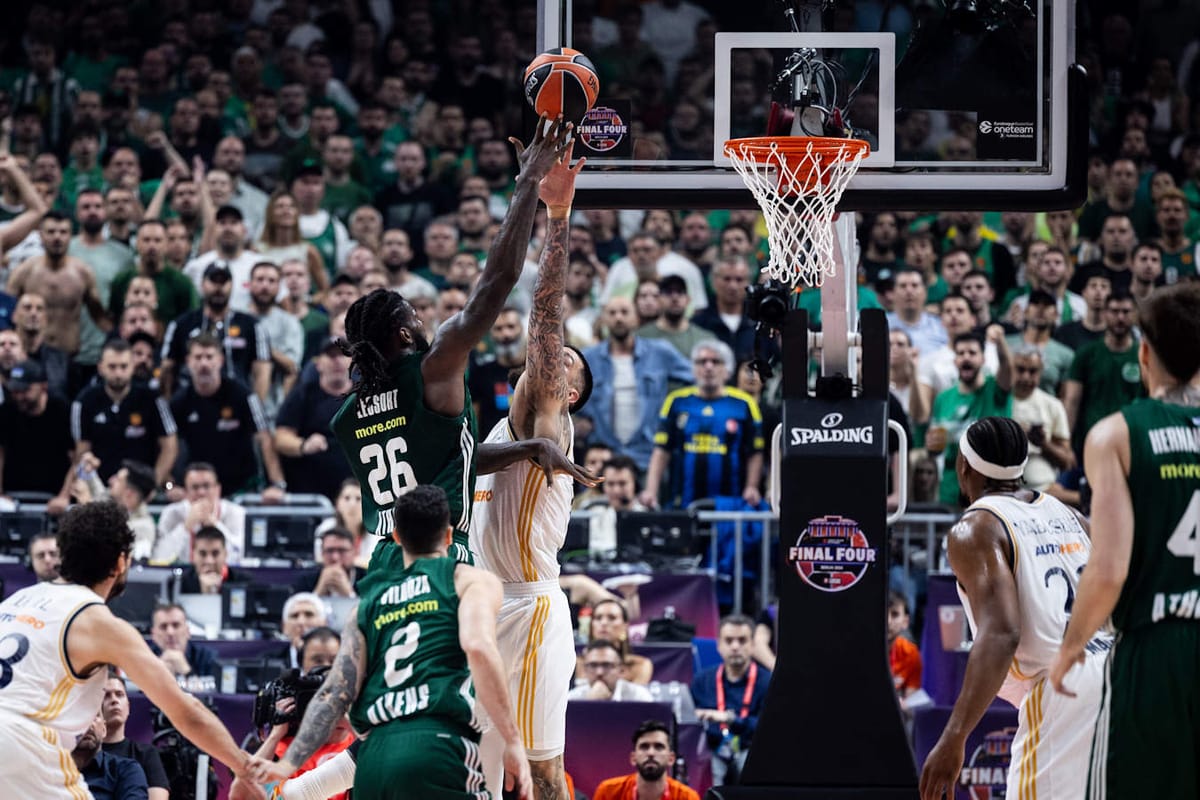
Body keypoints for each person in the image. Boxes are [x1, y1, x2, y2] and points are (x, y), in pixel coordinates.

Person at [329, 116, 574, 563]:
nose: (424, 322)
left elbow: (446, 461)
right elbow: (498, 281)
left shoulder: (348, 415)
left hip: (382, 559)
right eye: (415, 317)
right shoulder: (433, 369)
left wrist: (527, 448)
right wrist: (528, 183)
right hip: (438, 552)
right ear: (404, 333)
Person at [253, 485, 534, 800]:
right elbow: (479, 648)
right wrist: (513, 741)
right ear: (449, 536)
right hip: (438, 743)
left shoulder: (368, 603)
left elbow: (333, 693)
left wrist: (287, 763)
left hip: (375, 754)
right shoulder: (470, 581)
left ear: (396, 538)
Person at [467, 147, 594, 800]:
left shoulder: (550, 421)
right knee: (478, 777)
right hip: (484, 609)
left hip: (532, 607)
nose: (554, 362)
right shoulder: (501, 435)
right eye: (555, 361)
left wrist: (558, 214)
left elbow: (545, 321)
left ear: (568, 396)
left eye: (566, 365)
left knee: (544, 775)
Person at [1049, 283, 1200, 800]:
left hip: (1154, 652)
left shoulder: (1115, 433)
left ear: (1143, 351)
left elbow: (1109, 569)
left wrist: (1071, 647)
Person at [0, 501, 255, 796]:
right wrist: (243, 768)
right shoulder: (99, 621)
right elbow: (186, 711)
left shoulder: (15, 601)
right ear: (121, 563)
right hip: (20, 745)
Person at [921, 417, 1110, 800]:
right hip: (1117, 672)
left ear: (964, 467)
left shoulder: (975, 528)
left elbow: (1002, 633)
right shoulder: (1069, 514)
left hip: (1063, 687)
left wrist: (955, 736)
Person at [640, 339, 764, 509]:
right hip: (682, 502)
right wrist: (651, 491)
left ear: (727, 370)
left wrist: (751, 487)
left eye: (715, 361)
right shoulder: (676, 401)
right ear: (693, 369)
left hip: (729, 505)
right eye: (702, 362)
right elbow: (661, 450)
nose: (708, 367)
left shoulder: (744, 404)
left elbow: (755, 452)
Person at [101, 673, 171, 800]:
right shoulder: (85, 755)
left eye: (119, 694)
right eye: (106, 695)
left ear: (128, 706)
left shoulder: (146, 753)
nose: (114, 700)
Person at [592, 720, 700, 800]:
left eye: (659, 747)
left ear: (671, 759)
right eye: (644, 746)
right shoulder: (608, 792)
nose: (651, 753)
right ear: (633, 758)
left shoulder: (688, 797)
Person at [72, 710, 150, 800]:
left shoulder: (126, 770)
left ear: (104, 729)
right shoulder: (53, 770)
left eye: (95, 716)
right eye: (78, 716)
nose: (88, 723)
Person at [148, 602, 220, 682]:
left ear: (188, 631)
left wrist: (187, 672)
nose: (170, 632)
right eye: (163, 627)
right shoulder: (145, 658)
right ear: (153, 634)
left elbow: (216, 693)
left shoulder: (207, 657)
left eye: (176, 625)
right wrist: (157, 673)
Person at [569, 640, 654, 701]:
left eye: (607, 665)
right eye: (593, 665)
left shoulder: (639, 697)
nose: (599, 672)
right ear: (585, 670)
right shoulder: (572, 699)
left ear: (620, 670)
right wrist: (588, 704)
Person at [178, 527, 252, 594]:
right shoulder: (180, 584)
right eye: (202, 554)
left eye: (215, 553)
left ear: (225, 554)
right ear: (193, 555)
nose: (209, 561)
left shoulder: (244, 583)